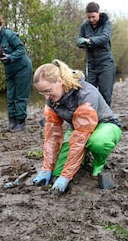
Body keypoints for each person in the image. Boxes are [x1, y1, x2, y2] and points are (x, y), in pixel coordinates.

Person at [32, 59, 122, 194]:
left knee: (98, 143)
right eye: (42, 93)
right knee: (58, 170)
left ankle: (98, 163)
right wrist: (47, 168)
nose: (46, 96)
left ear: (59, 81)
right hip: (78, 128)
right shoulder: (52, 100)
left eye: (48, 91)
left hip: (105, 125)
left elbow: (80, 139)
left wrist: (66, 177)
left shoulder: (85, 94)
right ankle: (83, 159)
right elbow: (52, 136)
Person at [76, 2, 116, 106]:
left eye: (93, 17)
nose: (91, 20)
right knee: (88, 93)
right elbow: (79, 42)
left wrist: (88, 41)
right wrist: (81, 42)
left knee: (105, 94)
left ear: (99, 13)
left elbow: (104, 38)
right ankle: (90, 118)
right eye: (89, 17)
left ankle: (106, 119)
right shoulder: (84, 26)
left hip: (106, 63)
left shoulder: (106, 23)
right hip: (91, 64)